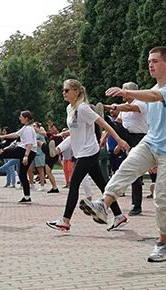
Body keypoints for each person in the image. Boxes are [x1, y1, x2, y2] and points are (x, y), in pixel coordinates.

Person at [78, 47, 166, 263]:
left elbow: (154, 97)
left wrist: (127, 92)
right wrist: (117, 105)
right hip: (151, 143)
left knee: (162, 198)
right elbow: (135, 106)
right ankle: (103, 204)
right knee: (126, 168)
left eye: (155, 61)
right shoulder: (153, 89)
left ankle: (163, 244)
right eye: (149, 61)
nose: (150, 64)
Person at [46, 79, 130, 233]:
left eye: (66, 90)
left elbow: (104, 124)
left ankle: (65, 221)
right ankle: (119, 215)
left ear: (76, 91)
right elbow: (76, 130)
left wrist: (118, 139)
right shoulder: (69, 109)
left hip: (89, 151)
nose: (63, 93)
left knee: (74, 184)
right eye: (63, 90)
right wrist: (63, 138)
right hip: (81, 152)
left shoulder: (83, 108)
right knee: (102, 184)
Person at [104, 81, 149, 216]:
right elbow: (117, 124)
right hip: (127, 137)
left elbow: (130, 108)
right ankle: (100, 116)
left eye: (124, 90)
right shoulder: (123, 109)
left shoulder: (140, 102)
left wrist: (113, 106)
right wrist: (116, 142)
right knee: (109, 121)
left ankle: (137, 205)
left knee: (135, 171)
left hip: (139, 138)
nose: (122, 93)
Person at [0, 111, 39, 203]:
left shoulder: (28, 129)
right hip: (28, 151)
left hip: (26, 150)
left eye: (21, 116)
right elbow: (16, 134)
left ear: (26, 118)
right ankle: (27, 197)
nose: (19, 118)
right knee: (22, 174)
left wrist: (25, 156)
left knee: (4, 152)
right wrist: (3, 136)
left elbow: (29, 144)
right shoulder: (26, 127)